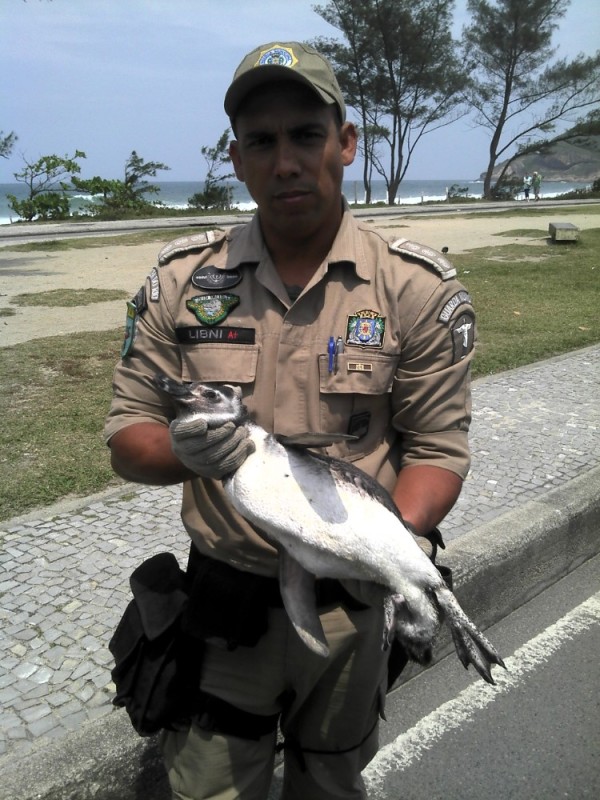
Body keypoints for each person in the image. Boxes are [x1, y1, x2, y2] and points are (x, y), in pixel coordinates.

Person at [105, 41, 476, 800]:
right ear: (236, 159)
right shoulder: (182, 282)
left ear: (345, 143)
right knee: (209, 790)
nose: (285, 162)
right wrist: (186, 454)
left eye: (306, 135)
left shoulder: (414, 289)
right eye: (262, 142)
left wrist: (383, 549)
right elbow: (127, 435)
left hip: (352, 612)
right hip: (224, 612)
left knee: (333, 784)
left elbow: (438, 448)